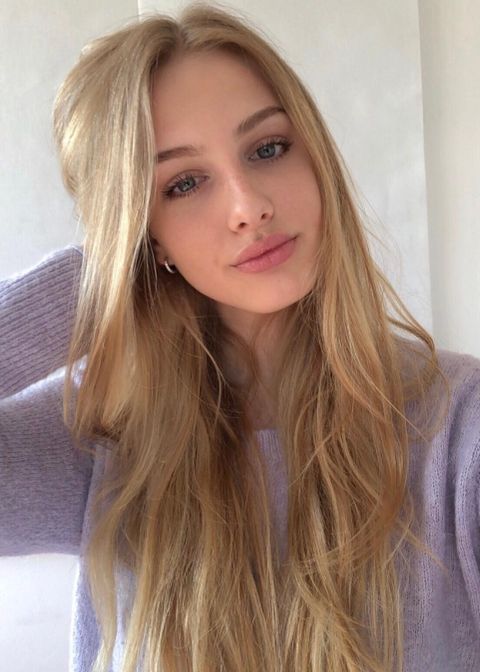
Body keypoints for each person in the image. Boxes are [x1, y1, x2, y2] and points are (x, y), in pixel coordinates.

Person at [1, 3, 480, 671]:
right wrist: (92, 280)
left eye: (268, 148)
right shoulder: (99, 438)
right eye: (183, 184)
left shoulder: (459, 430)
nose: (249, 206)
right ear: (143, 234)